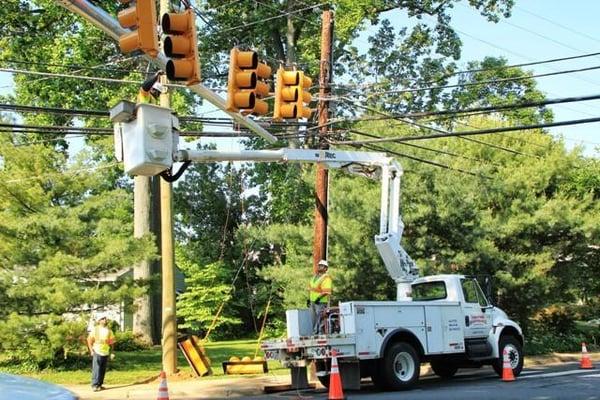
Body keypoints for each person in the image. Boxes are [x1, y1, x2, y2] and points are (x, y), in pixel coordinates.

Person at [87, 313, 116, 392]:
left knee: (102, 369)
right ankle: (94, 385)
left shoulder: (109, 331)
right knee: (96, 369)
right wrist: (91, 350)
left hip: (105, 352)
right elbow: (89, 340)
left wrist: (112, 352)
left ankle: (99, 384)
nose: (105, 320)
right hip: (97, 351)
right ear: (99, 321)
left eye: (105, 318)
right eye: (103, 319)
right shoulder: (95, 329)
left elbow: (112, 342)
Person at [309, 259, 332, 335]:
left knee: (320, 318)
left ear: (325, 268)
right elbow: (311, 289)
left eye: (322, 266)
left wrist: (318, 298)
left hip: (321, 302)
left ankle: (319, 334)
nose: (319, 267)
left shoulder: (326, 278)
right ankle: (315, 333)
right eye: (319, 265)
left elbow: (326, 291)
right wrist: (309, 299)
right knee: (313, 319)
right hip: (313, 301)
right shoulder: (314, 277)